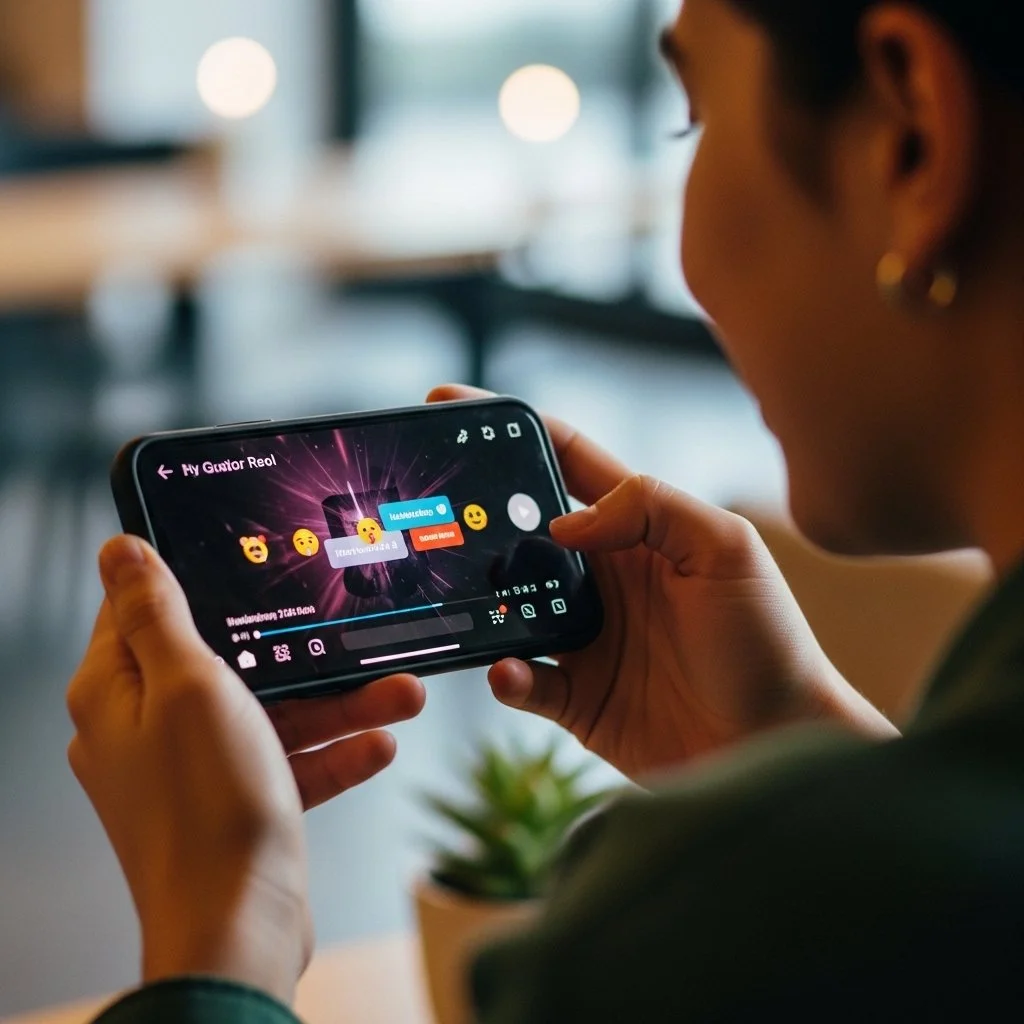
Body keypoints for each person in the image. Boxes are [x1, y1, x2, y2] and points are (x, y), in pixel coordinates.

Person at [68, 0, 1023, 1019]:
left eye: (691, 121)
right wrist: (785, 745)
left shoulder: (666, 950)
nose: (689, 263)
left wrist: (222, 943)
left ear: (913, 135)